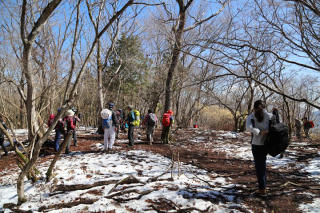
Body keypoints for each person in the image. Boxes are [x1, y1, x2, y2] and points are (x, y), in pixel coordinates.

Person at [246, 100, 274, 195]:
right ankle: (263, 185)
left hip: (257, 144)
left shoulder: (251, 116)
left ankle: (262, 189)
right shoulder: (270, 116)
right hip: (268, 144)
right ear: (264, 107)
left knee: (260, 166)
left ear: (254, 107)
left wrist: (258, 132)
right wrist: (265, 131)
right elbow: (277, 125)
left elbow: (248, 128)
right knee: (262, 165)